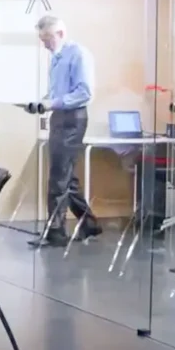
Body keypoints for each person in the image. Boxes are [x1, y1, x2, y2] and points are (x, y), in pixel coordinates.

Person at [28, 15, 102, 248]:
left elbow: (84, 93)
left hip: (73, 119)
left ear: (60, 33)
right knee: (67, 176)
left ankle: (56, 232)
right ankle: (89, 224)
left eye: (47, 38)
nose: (44, 44)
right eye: (42, 39)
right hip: (60, 118)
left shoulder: (78, 54)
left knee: (58, 177)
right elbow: (56, 94)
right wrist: (42, 103)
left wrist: (54, 103)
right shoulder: (56, 58)